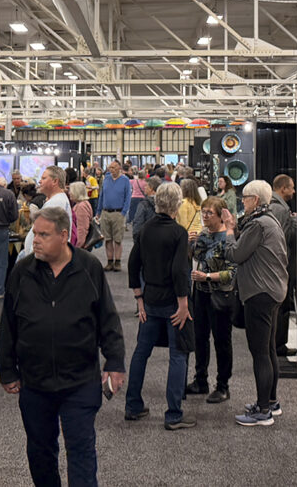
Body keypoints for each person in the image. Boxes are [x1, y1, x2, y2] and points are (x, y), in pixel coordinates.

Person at [0, 207, 125, 487]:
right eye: (35, 234)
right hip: (35, 382)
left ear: (64, 235)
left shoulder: (89, 267)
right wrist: (6, 369)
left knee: (81, 450)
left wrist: (115, 362)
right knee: (40, 452)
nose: (36, 240)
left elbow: (108, 318)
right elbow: (8, 323)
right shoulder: (22, 271)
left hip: (80, 380)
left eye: (44, 235)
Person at [125, 182, 194, 431]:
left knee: (141, 353)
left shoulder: (145, 229)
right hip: (173, 302)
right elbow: (179, 270)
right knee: (178, 355)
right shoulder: (179, 233)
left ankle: (133, 406)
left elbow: (133, 264)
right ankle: (173, 414)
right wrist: (184, 304)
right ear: (177, 204)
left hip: (150, 300)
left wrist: (139, 299)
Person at [224, 179, 288, 427]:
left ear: (256, 200)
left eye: (246, 198)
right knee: (268, 349)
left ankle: (263, 411)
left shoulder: (258, 224)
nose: (243, 202)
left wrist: (229, 231)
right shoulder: (269, 220)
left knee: (260, 352)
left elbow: (235, 254)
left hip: (259, 293)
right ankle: (270, 402)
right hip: (272, 291)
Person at [185, 197, 236, 404]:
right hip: (201, 293)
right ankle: (201, 380)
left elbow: (231, 274)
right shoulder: (205, 234)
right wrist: (191, 243)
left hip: (220, 295)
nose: (205, 216)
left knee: (222, 341)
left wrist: (207, 277)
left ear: (220, 215)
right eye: (203, 212)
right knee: (200, 337)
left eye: (209, 213)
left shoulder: (228, 237)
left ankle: (223, 386)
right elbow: (196, 257)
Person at [268, 174, 297, 358]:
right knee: (282, 306)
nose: (294, 191)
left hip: (275, 266)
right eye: (292, 187)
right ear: (283, 188)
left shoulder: (272, 206)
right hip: (281, 267)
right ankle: (278, 345)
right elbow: (283, 240)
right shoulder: (280, 209)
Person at [21, 166, 73, 260]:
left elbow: (45, 234)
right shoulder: (57, 200)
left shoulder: (56, 203)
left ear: (55, 181)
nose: (40, 181)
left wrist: (34, 257)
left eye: (44, 178)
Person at [96, 160, 130, 272]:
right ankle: (109, 261)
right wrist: (98, 211)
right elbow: (101, 196)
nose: (112, 170)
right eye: (110, 167)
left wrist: (123, 212)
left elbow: (128, 197)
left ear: (119, 168)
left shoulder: (125, 180)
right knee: (108, 239)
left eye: (114, 167)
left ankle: (117, 262)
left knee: (118, 239)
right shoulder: (106, 179)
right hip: (106, 212)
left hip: (118, 213)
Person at [131, 176, 161, 246]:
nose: (144, 187)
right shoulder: (163, 203)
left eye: (146, 186)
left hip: (146, 237)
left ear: (151, 188)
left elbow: (138, 221)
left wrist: (136, 239)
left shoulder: (144, 204)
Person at [69, 181, 94, 249]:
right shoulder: (83, 204)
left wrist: (77, 247)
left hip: (80, 245)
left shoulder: (81, 207)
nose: (69, 193)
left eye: (71, 191)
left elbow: (82, 229)